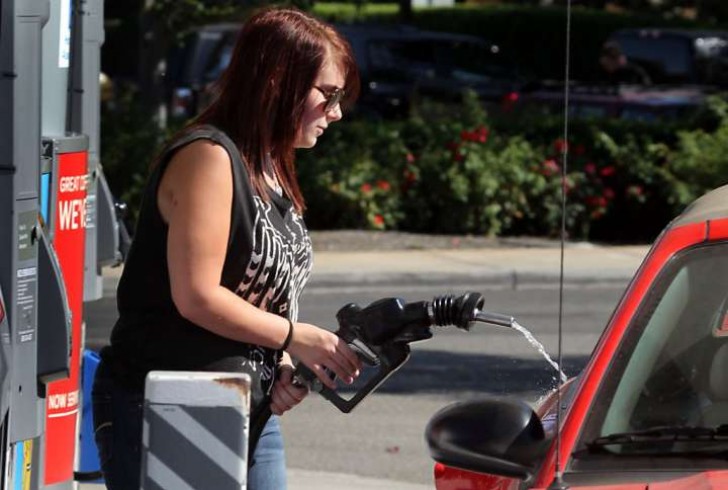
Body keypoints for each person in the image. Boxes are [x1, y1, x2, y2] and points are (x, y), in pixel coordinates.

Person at [91, 7, 362, 490]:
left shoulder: (271, 168)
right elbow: (196, 295)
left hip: (245, 402)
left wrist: (281, 365)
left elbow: (259, 294)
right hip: (167, 398)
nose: (336, 113)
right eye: (328, 94)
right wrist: (292, 337)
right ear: (279, 80)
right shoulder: (210, 157)